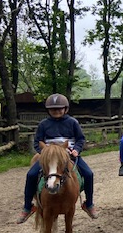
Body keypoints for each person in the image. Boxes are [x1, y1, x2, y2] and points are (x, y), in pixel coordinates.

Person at [16, 93, 98, 224]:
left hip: (68, 155)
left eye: (60, 108)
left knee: (88, 174)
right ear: (48, 110)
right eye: (53, 109)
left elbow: (81, 139)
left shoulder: (72, 122)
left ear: (65, 109)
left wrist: (76, 150)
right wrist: (44, 153)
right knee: (31, 174)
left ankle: (89, 204)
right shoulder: (43, 124)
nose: (57, 111)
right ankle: (27, 206)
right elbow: (37, 142)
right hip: (49, 157)